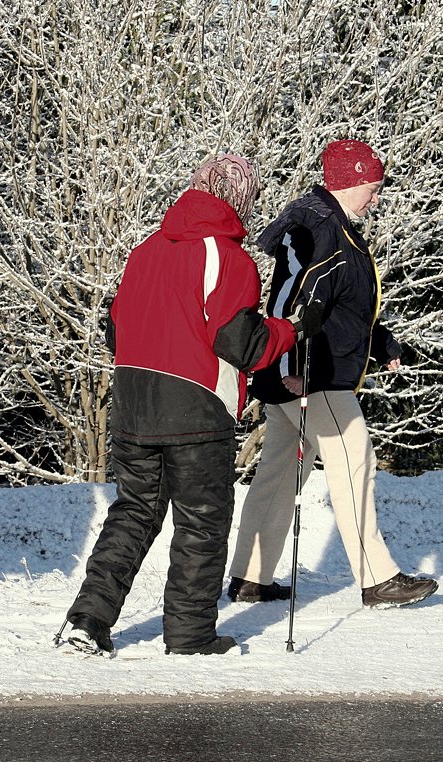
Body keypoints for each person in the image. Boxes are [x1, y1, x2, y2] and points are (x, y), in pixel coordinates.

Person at [61, 154, 306, 656]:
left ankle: (87, 621)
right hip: (197, 406)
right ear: (239, 197)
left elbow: (115, 328)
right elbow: (242, 344)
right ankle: (190, 636)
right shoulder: (228, 257)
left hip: (133, 401)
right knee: (201, 519)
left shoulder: (145, 250)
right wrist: (291, 330)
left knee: (133, 512)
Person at [226, 139, 438, 608]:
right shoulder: (319, 229)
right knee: (354, 461)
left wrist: (379, 341)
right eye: (373, 188)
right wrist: (292, 365)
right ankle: (378, 578)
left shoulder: (334, 227)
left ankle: (250, 578)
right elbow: (289, 303)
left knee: (281, 474)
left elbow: (341, 304)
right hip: (311, 376)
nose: (377, 199)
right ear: (349, 183)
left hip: (301, 372)